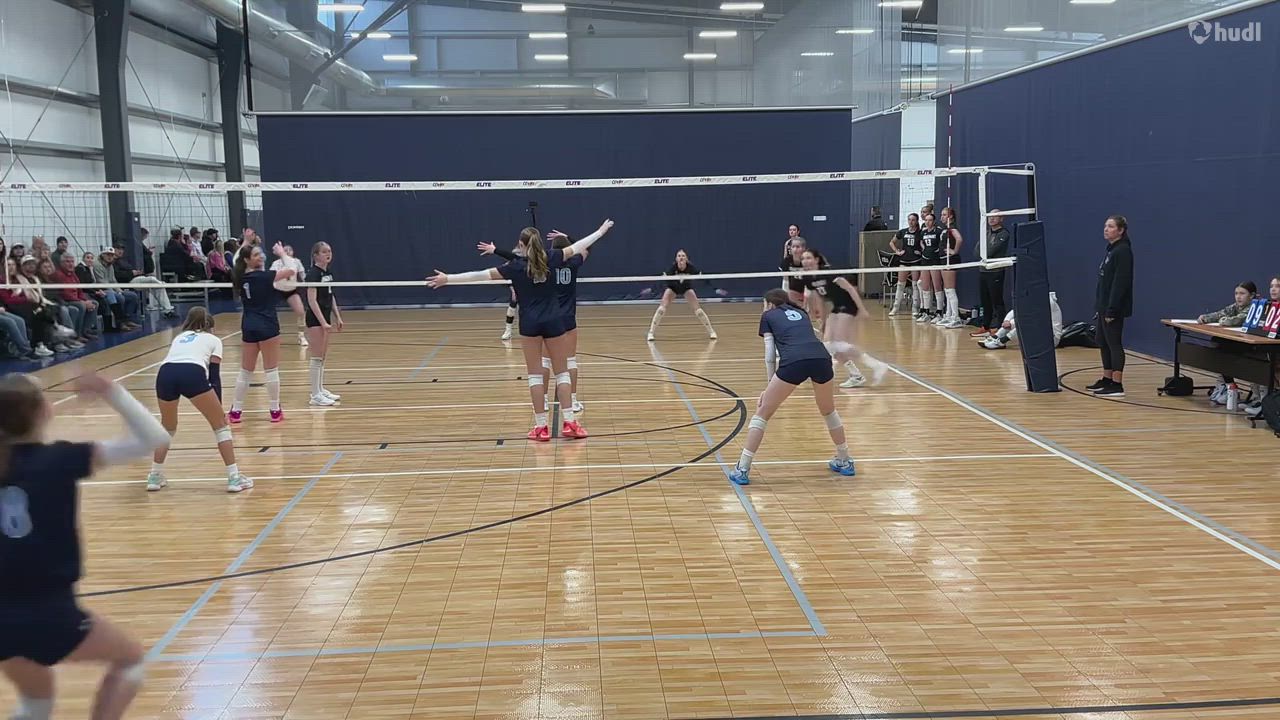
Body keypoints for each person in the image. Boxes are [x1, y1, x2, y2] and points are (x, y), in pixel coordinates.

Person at [0, 371, 171, 720]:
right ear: (43, 410)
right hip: (49, 611)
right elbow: (154, 438)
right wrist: (112, 392)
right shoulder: (59, 459)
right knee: (130, 660)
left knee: (37, 701)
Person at [427, 220, 614, 441]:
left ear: (522, 245)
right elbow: (579, 246)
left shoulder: (514, 267)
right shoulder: (552, 258)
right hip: (554, 321)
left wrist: (448, 279)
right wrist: (600, 232)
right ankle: (570, 423)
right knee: (562, 373)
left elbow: (480, 275)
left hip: (530, 324)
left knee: (535, 376)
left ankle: (541, 427)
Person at [728, 288, 858, 486]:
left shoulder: (768, 315)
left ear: (770, 304)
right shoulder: (801, 312)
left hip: (794, 361)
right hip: (821, 358)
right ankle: (845, 459)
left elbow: (770, 354)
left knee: (762, 413)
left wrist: (769, 385)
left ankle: (742, 468)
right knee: (829, 411)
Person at [147, 307, 253, 493]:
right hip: (192, 372)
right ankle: (234, 478)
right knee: (221, 427)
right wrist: (219, 408)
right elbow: (214, 377)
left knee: (168, 427)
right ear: (210, 325)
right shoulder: (214, 340)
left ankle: (154, 476)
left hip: (165, 374)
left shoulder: (179, 337)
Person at [480, 231, 587, 413]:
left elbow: (519, 260)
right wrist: (569, 237)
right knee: (570, 362)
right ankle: (573, 401)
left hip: (551, 316)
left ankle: (543, 400)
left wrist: (496, 250)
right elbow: (585, 248)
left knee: (544, 362)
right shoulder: (573, 263)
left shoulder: (546, 263)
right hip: (568, 318)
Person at [798, 249, 887, 388]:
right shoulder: (808, 278)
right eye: (803, 259)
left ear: (816, 260)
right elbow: (821, 300)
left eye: (808, 258)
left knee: (838, 344)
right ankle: (856, 375)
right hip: (836, 307)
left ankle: (877, 365)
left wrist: (862, 309)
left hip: (848, 305)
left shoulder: (829, 272)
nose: (805, 261)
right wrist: (823, 320)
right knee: (829, 346)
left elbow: (850, 289)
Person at [228, 243, 296, 424]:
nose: (261, 256)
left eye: (261, 253)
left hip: (249, 326)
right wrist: (282, 253)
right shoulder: (266, 276)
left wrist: (244, 243)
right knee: (271, 370)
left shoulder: (239, 277)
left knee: (245, 371)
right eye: (256, 255)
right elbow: (292, 269)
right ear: (247, 260)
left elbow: (236, 259)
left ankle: (236, 411)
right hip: (268, 325)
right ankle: (275, 410)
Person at [1089, 215, 1134, 398]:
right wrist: (1100, 307)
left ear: (1121, 230)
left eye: (1111, 226)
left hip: (1113, 308)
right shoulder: (1111, 250)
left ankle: (1117, 384)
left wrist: (1112, 309)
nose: (1106, 229)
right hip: (1103, 306)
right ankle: (1107, 378)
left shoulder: (1123, 251)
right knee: (1102, 341)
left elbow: (1120, 283)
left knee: (1114, 343)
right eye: (1105, 226)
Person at [643, 249, 722, 342]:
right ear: (676, 259)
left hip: (686, 289)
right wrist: (651, 289)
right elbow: (661, 280)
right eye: (679, 256)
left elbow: (704, 278)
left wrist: (715, 289)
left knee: (698, 310)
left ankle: (711, 331)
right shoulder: (672, 268)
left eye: (683, 256)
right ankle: (651, 332)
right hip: (673, 289)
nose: (681, 258)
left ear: (686, 259)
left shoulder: (691, 268)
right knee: (661, 308)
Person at [304, 242, 343, 407]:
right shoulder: (313, 274)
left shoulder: (328, 273)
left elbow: (330, 295)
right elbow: (312, 301)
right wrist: (322, 322)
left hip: (325, 318)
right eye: (324, 252)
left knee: (322, 356)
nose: (328, 254)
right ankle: (315, 395)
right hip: (315, 319)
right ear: (316, 255)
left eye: (330, 251)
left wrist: (337, 317)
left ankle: (320, 389)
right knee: (316, 357)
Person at [981, 292, 1064, 349]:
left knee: (1025, 324)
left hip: (1051, 339)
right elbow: (1016, 310)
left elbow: (1033, 321)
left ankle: (1002, 341)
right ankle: (996, 337)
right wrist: (1006, 320)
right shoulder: (1033, 297)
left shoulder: (1047, 302)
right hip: (1041, 334)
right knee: (1012, 322)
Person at [112, 242, 175, 318]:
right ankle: (163, 287)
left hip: (134, 278)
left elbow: (129, 271)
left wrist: (137, 272)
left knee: (157, 285)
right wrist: (132, 273)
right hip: (128, 282)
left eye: (122, 249)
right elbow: (117, 275)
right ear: (113, 249)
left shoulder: (123, 260)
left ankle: (167, 310)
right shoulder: (112, 262)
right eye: (118, 249)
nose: (121, 251)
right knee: (152, 280)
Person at [974, 210, 1010, 338]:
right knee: (985, 300)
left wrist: (984, 253)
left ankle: (1000, 327)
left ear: (1001, 218)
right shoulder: (986, 233)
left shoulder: (1004, 233)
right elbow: (977, 250)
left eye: (995, 217)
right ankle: (986, 326)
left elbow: (991, 251)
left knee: (997, 300)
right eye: (990, 217)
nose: (991, 219)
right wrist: (982, 254)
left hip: (996, 271)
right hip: (983, 270)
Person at [49, 253, 100, 342]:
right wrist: (82, 302)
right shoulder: (58, 275)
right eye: (67, 262)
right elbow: (65, 294)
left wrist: (85, 300)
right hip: (64, 300)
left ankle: (85, 331)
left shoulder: (73, 274)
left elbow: (79, 290)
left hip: (75, 299)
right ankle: (77, 334)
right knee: (81, 306)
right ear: (61, 263)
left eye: (72, 262)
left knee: (94, 303)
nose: (70, 264)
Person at [270, 245, 310, 347]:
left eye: (290, 250)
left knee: (301, 312)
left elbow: (303, 276)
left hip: (291, 291)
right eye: (285, 250)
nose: (287, 252)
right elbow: (271, 277)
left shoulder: (296, 262)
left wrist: (307, 284)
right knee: (268, 312)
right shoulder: (276, 263)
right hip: (277, 290)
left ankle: (301, 336)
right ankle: (270, 337)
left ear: (293, 252)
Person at [936, 207, 965, 328]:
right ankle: (948, 315)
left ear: (951, 216)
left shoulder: (952, 228)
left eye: (944, 215)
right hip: (943, 259)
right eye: (941, 215)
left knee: (950, 290)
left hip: (950, 260)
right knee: (947, 289)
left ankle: (956, 318)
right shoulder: (945, 229)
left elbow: (959, 239)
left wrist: (954, 251)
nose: (942, 217)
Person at [888, 213, 923, 316]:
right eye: (909, 220)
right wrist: (897, 251)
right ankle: (895, 308)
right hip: (904, 260)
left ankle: (915, 308)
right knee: (900, 284)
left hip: (915, 261)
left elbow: (924, 245)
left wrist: (921, 252)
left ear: (917, 221)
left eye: (913, 220)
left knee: (915, 285)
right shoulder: (902, 231)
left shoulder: (920, 233)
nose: (911, 222)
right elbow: (891, 242)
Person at [917, 213, 946, 324]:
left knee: (937, 286)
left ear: (934, 221)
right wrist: (924, 249)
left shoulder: (938, 231)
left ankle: (939, 312)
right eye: (926, 220)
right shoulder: (923, 232)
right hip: (925, 259)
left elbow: (942, 243)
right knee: (924, 286)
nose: (927, 222)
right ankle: (926, 312)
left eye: (930, 220)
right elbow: (921, 241)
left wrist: (937, 250)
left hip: (935, 260)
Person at [780, 227, 807, 306]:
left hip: (805, 289)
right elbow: (785, 280)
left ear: (804, 248)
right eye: (793, 247)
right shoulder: (787, 261)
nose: (795, 249)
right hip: (793, 290)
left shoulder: (807, 260)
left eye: (798, 247)